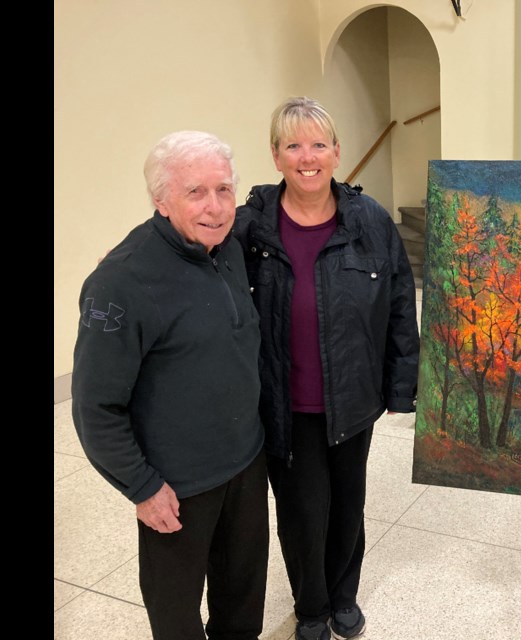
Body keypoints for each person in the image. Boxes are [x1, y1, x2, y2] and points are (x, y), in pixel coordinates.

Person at [233, 97, 420, 640]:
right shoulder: (252, 229)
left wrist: (401, 387)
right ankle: (311, 606)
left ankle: (343, 596)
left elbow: (401, 305)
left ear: (337, 153)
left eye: (318, 144)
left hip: (353, 398)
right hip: (282, 402)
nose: (306, 156)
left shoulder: (371, 222)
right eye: (293, 145)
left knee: (347, 503)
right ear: (275, 156)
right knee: (298, 511)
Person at [72, 131, 268, 640]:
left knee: (242, 600)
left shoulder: (226, 245)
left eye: (224, 189)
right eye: (195, 192)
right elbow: (95, 406)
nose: (215, 207)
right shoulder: (122, 281)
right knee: (177, 616)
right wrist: (141, 487)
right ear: (160, 200)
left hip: (246, 462)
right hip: (175, 486)